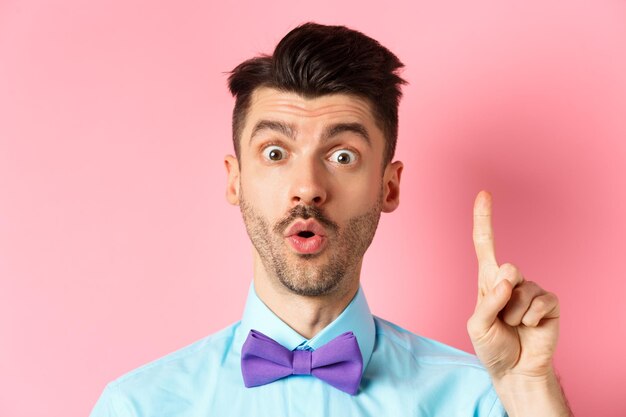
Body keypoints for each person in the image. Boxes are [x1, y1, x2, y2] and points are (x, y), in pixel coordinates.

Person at [90, 22, 571, 416]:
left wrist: (530, 390)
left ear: (389, 186)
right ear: (235, 180)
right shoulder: (139, 406)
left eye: (343, 156)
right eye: (275, 152)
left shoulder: (479, 399)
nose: (309, 187)